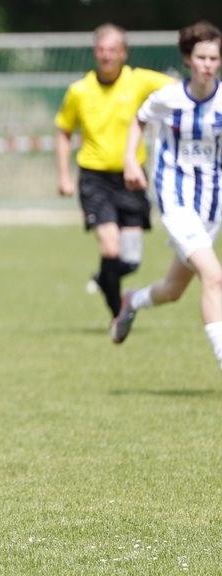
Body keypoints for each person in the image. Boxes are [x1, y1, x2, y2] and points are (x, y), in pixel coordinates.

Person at [113, 21, 222, 364]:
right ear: (189, 59)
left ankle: (133, 300)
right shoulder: (170, 97)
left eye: (214, 58)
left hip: (211, 205)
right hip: (175, 200)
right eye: (201, 57)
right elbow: (139, 119)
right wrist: (131, 158)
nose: (207, 64)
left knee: (173, 291)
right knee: (214, 276)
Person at [54, 23, 175, 320]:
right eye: (101, 50)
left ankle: (104, 280)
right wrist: (63, 175)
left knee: (130, 260)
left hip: (132, 178)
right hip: (94, 177)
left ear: (123, 53)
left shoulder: (139, 81)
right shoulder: (79, 91)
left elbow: (181, 93)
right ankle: (117, 313)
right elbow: (63, 131)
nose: (106, 56)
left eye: (112, 50)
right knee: (111, 250)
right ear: (95, 52)